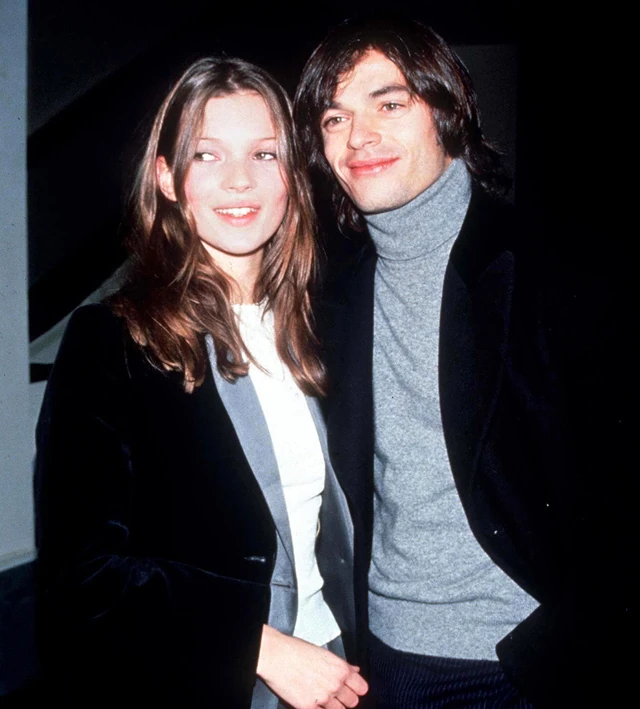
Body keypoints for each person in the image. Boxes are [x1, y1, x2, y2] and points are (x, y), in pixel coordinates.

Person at [294, 15, 632, 708]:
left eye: (389, 104)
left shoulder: (559, 269)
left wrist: (560, 641)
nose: (358, 138)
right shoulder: (331, 296)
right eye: (334, 118)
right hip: (379, 665)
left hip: (519, 665)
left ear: (447, 111)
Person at [34, 56, 369, 709]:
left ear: (293, 174)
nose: (240, 179)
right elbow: (82, 576)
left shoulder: (329, 325)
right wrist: (259, 646)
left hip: (341, 668)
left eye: (265, 154)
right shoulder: (111, 342)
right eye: (207, 155)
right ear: (167, 177)